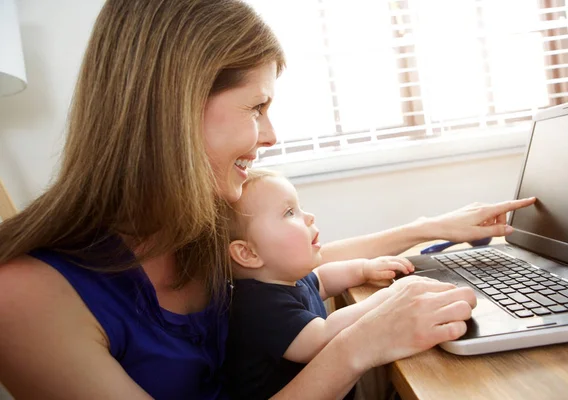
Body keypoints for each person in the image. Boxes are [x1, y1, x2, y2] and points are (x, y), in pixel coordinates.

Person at [0, 0, 536, 399]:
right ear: (175, 105)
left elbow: (309, 261)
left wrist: (430, 226)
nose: (271, 134)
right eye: (257, 107)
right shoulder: (26, 296)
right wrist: (360, 344)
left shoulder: (195, 226)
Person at [225, 169, 417, 399]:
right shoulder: (257, 306)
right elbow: (321, 338)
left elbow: (323, 279)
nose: (309, 217)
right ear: (247, 253)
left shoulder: (287, 277)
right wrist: (391, 297)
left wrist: (363, 269)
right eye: (289, 212)